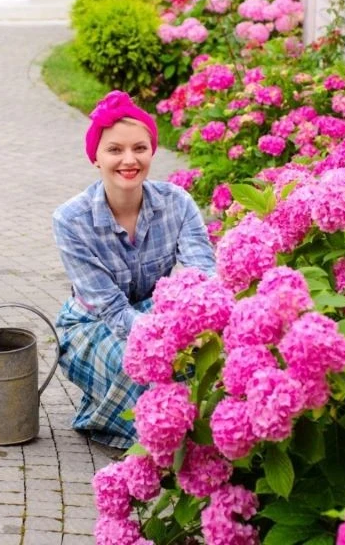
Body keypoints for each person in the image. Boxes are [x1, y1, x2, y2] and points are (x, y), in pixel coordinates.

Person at [52, 90, 215, 449]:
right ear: (95, 157)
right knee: (140, 365)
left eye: (139, 148)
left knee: (205, 359)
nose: (129, 159)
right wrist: (170, 337)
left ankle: (179, 424)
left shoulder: (177, 203)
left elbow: (203, 271)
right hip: (91, 325)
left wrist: (197, 323)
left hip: (155, 313)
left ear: (152, 151)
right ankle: (151, 433)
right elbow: (111, 309)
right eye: (115, 150)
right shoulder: (71, 220)